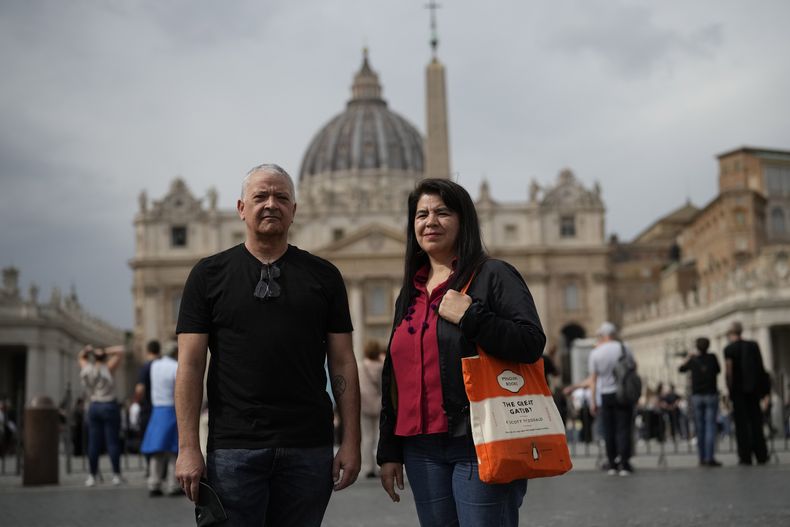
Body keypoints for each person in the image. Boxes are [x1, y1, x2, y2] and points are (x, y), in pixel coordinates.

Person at [175, 163, 360, 526]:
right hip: (233, 446)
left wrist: (352, 441)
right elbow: (191, 365)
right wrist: (187, 447)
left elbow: (342, 361)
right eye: (260, 196)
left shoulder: (325, 276)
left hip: (308, 445)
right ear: (241, 208)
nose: (271, 204)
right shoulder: (207, 275)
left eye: (281, 197)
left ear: (294, 210)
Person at [377, 178, 546, 527]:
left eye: (442, 212)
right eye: (422, 214)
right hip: (420, 448)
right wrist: (389, 449)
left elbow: (531, 342)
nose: (430, 221)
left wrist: (471, 317)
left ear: (463, 220)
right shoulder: (410, 291)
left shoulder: (493, 274)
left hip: (478, 440)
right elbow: (395, 375)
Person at [588, 322, 637, 476]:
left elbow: (593, 380)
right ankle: (624, 464)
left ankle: (612, 464)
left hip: (605, 394)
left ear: (602, 335)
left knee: (608, 431)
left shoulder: (596, 352)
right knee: (623, 429)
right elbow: (633, 367)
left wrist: (593, 401)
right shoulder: (624, 347)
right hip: (623, 393)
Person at [78, 344, 126, 486]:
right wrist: (104, 351)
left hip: (94, 405)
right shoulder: (108, 368)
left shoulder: (87, 368)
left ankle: (92, 475)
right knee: (112, 442)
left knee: (94, 443)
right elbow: (121, 350)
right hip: (109, 405)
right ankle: (116, 475)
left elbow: (80, 356)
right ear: (105, 357)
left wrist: (89, 350)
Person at [723, 321, 769, 465]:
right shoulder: (753, 345)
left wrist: (729, 388)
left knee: (742, 425)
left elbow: (729, 371)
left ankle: (745, 456)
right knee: (756, 422)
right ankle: (761, 454)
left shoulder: (729, 349)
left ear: (731, 334)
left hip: (738, 391)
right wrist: (765, 391)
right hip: (753, 389)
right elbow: (761, 368)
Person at [141, 341, 179, 496]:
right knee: (173, 450)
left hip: (157, 409)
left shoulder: (154, 365)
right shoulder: (176, 366)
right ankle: (173, 484)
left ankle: (154, 483)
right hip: (171, 408)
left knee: (156, 450)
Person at [678, 337, 722, 466]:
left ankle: (701, 457)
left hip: (697, 395)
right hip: (711, 394)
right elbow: (718, 370)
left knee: (700, 427)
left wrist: (688, 357)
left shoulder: (693, 359)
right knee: (710, 426)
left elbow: (681, 369)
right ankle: (709, 457)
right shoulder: (712, 357)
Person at [135, 340, 161, 472]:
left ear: (148, 351)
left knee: (147, 439)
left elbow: (140, 389)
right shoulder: (162, 366)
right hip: (161, 407)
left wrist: (137, 401)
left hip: (147, 408)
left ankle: (150, 467)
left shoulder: (145, 367)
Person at [359, 341, 384, 479]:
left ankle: (368, 467)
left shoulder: (361, 366)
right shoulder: (381, 367)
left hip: (364, 405)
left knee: (367, 437)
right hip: (379, 404)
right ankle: (381, 465)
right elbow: (382, 386)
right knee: (380, 436)